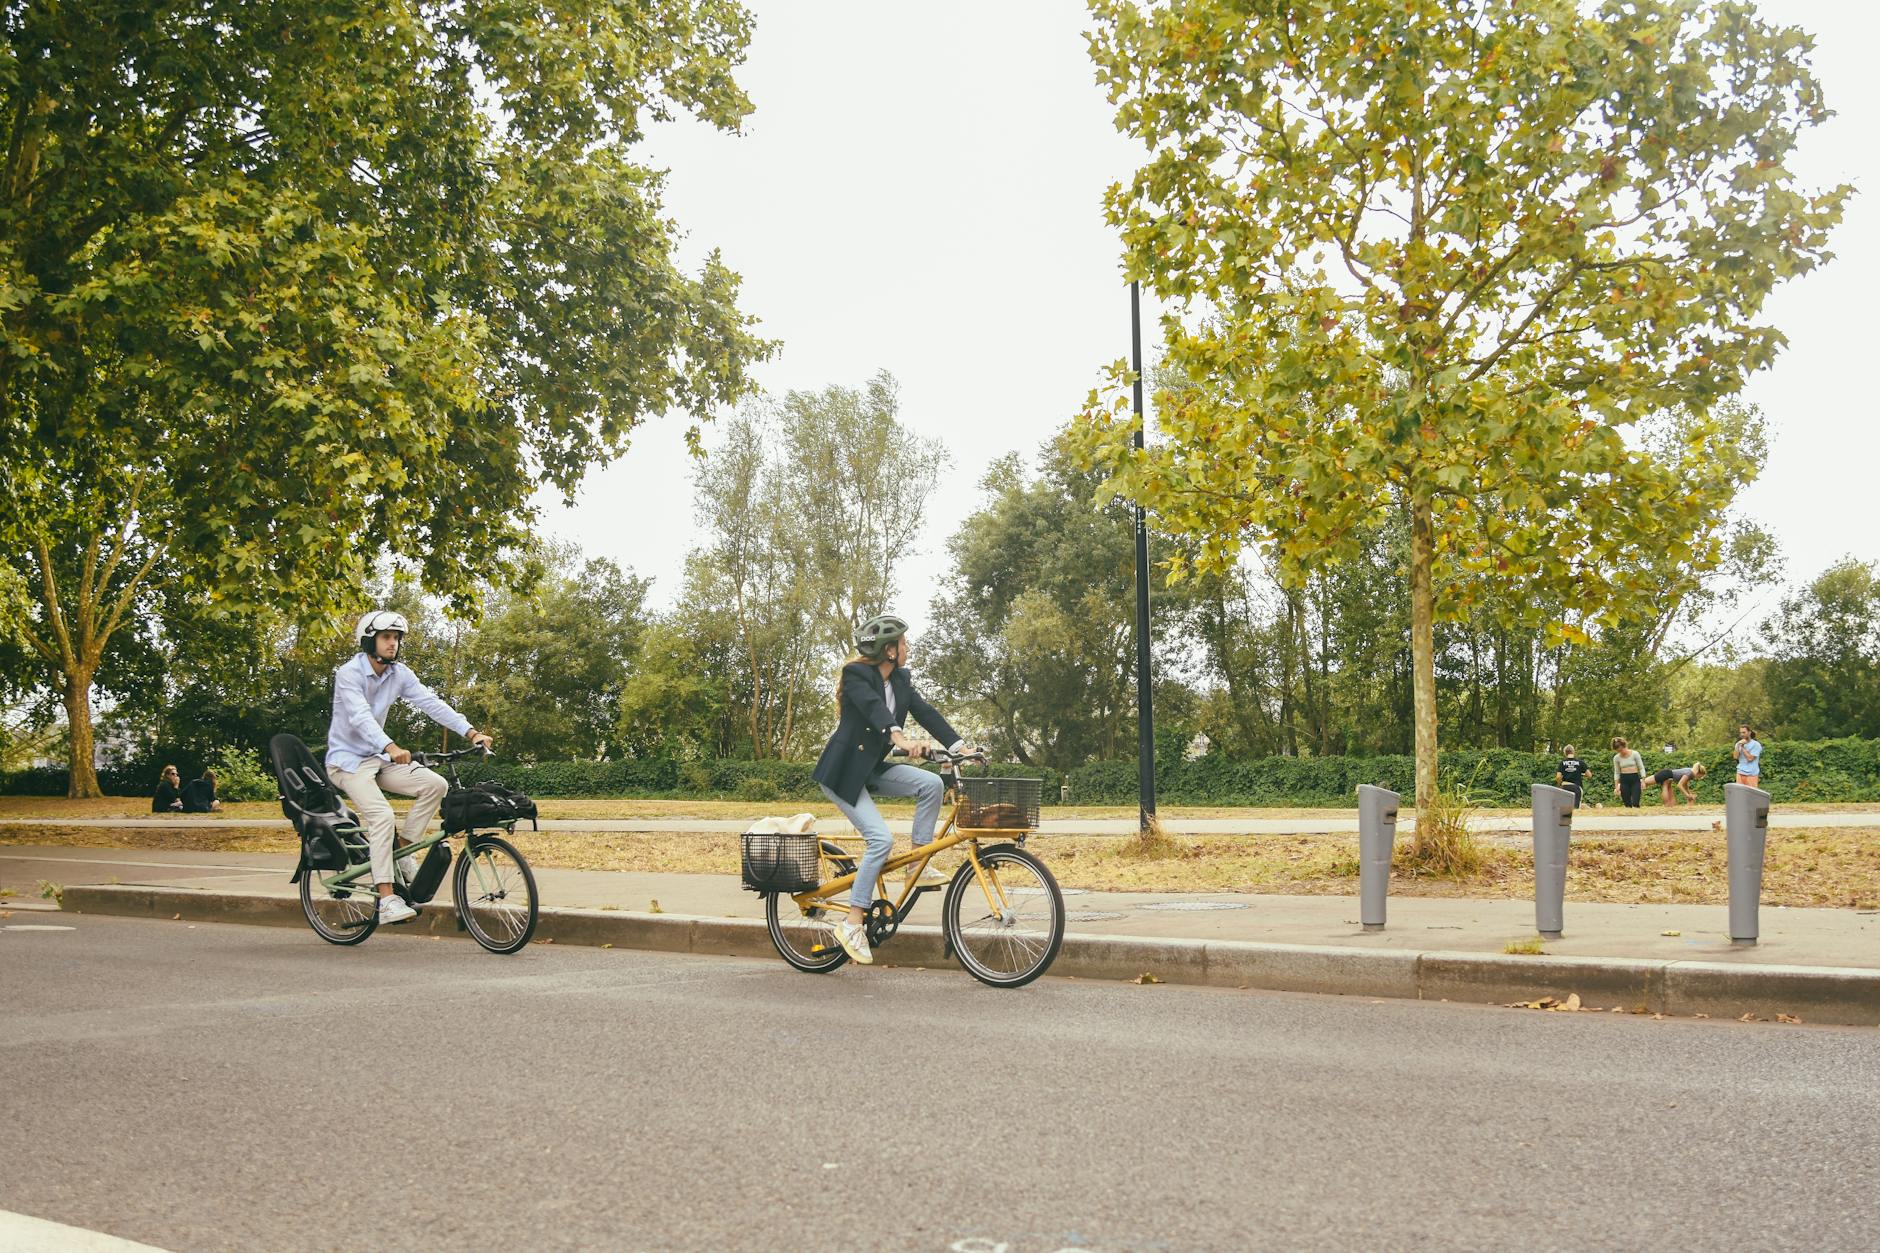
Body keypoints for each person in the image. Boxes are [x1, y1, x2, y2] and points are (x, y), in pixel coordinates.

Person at [811, 614, 972, 966]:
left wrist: (961, 747)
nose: (907, 648)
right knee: (880, 841)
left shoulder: (901, 680)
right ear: (889, 650)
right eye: (903, 643)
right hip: (842, 773)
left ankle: (917, 864)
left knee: (930, 783)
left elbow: (927, 714)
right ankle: (852, 923)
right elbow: (874, 710)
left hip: (870, 769)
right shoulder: (856, 675)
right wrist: (899, 738)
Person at [325, 609, 492, 925]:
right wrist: (390, 746)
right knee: (382, 815)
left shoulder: (399, 674)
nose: (393, 643)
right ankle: (387, 899)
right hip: (347, 763)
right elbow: (360, 717)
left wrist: (471, 732)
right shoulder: (349, 674)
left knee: (435, 784)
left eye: (396, 638)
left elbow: (431, 704)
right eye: (386, 637)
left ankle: (401, 853)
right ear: (369, 640)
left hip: (378, 760)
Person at [1611, 737, 1644, 808]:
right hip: (1624, 780)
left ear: (1625, 746)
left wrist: (1643, 780)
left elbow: (1641, 768)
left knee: (1635, 803)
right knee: (1627, 804)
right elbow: (1617, 772)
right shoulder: (1616, 758)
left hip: (1634, 779)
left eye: (1621, 750)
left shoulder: (1635, 754)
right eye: (1618, 751)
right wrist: (1616, 787)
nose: (1621, 752)